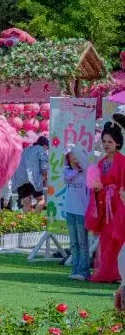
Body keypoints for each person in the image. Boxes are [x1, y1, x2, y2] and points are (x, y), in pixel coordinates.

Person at [87, 120, 125, 283]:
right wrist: (97, 188)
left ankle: (118, 273)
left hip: (119, 205)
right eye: (104, 141)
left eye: (110, 141)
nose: (106, 145)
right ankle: (107, 272)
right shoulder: (101, 162)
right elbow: (97, 183)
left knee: (118, 237)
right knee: (106, 238)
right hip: (105, 206)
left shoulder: (123, 161)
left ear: (118, 143)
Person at [63, 147, 91, 281]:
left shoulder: (86, 172)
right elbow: (68, 178)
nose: (73, 158)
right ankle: (75, 269)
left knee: (82, 243)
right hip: (70, 210)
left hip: (82, 212)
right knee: (73, 243)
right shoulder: (66, 171)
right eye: (71, 155)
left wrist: (82, 167)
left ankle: (84, 271)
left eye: (76, 155)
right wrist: (77, 170)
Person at [16, 136, 50, 213]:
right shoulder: (41, 151)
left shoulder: (25, 150)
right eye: (47, 148)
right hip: (33, 178)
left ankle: (27, 220)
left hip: (20, 178)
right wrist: (46, 177)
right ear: (44, 145)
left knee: (26, 201)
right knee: (41, 200)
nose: (47, 150)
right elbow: (43, 168)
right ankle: (35, 219)